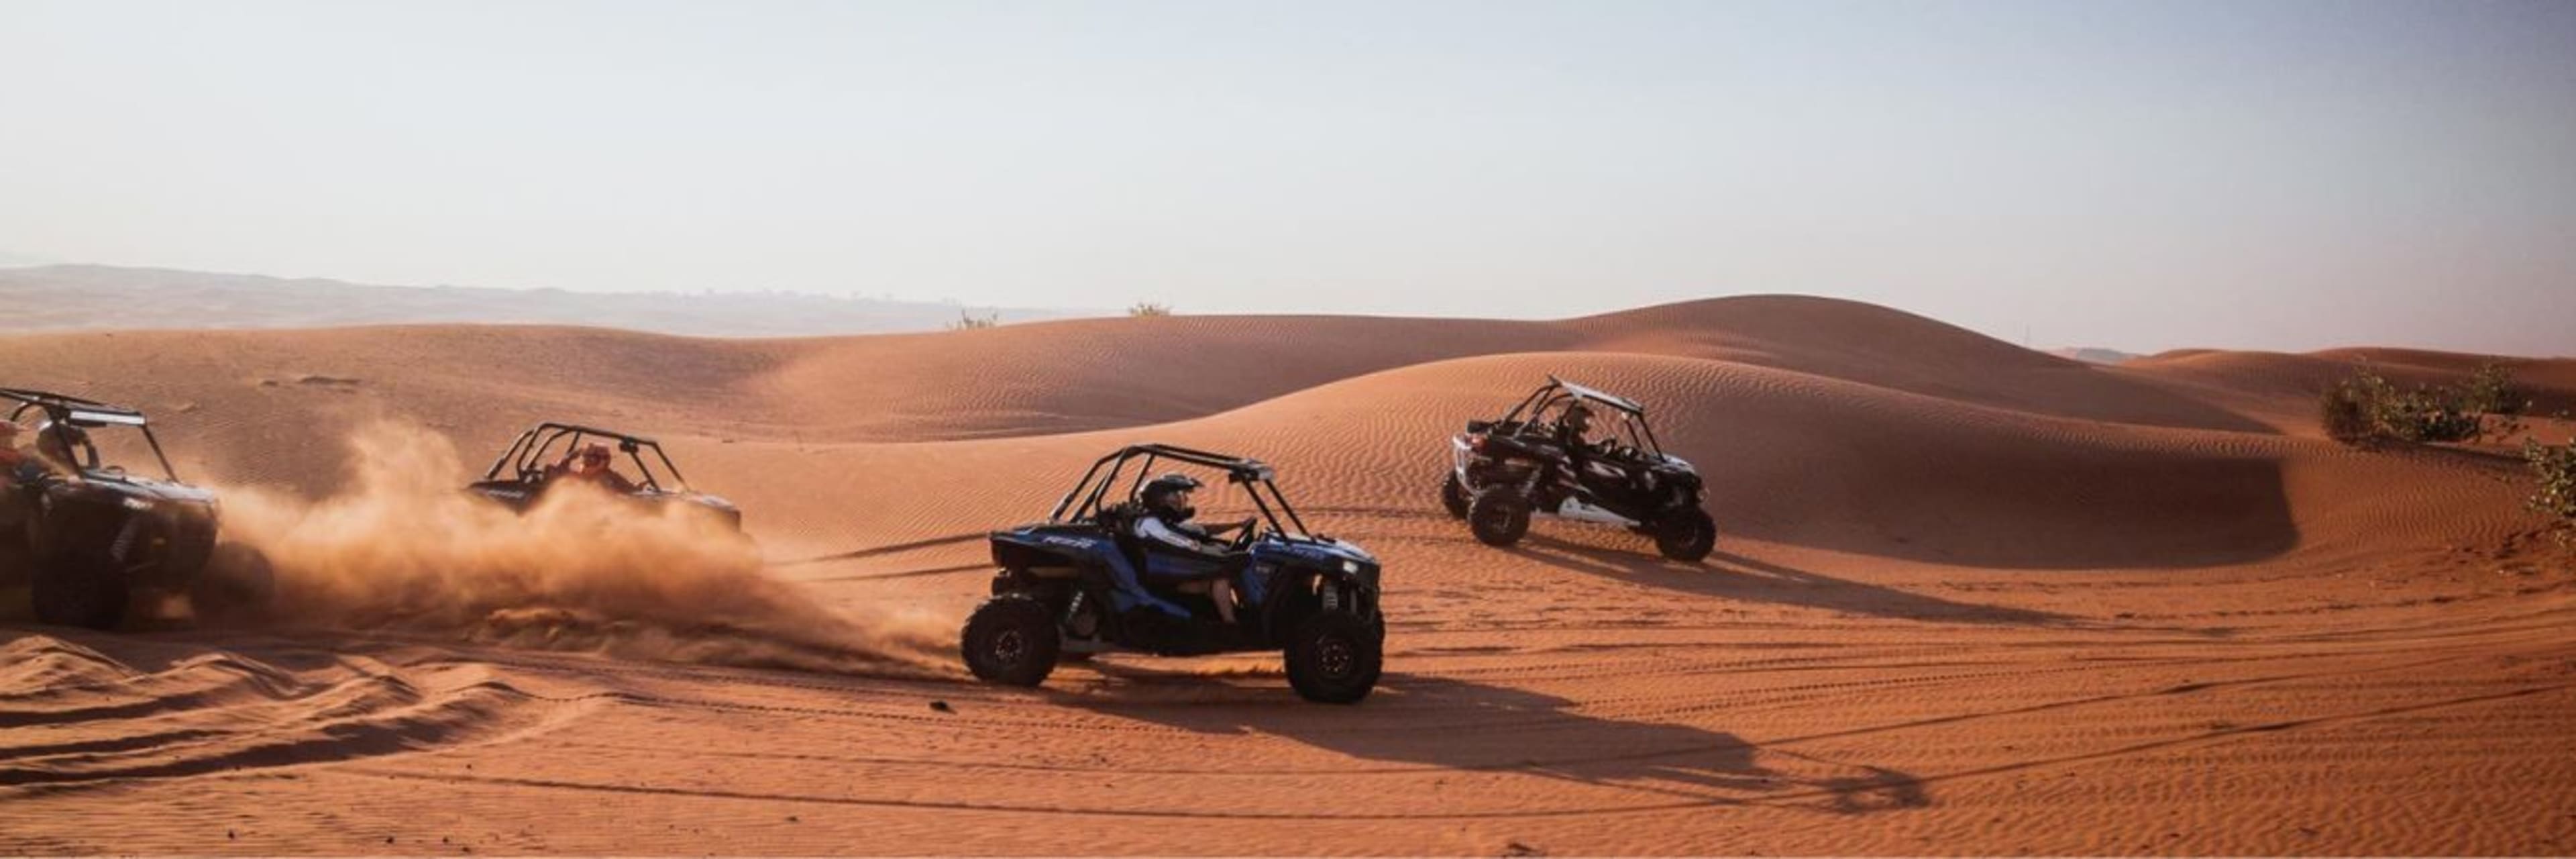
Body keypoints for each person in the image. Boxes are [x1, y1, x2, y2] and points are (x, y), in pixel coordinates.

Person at [1130, 472, 1254, 625]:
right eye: (1177, 497)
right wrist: (1214, 554)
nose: (1184, 500)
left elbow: (1201, 530)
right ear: (1162, 500)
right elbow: (1180, 542)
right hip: (1166, 581)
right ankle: (1231, 624)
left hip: (1176, 571)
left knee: (1232, 571)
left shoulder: (1164, 520)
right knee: (1220, 579)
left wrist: (1237, 525)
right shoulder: (1150, 524)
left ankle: (1246, 613)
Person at [557, 442, 639, 493]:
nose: (587, 463)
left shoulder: (612, 478)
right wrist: (569, 457)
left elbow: (633, 490)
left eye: (591, 460)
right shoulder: (575, 476)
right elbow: (557, 470)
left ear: (603, 461)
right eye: (586, 459)